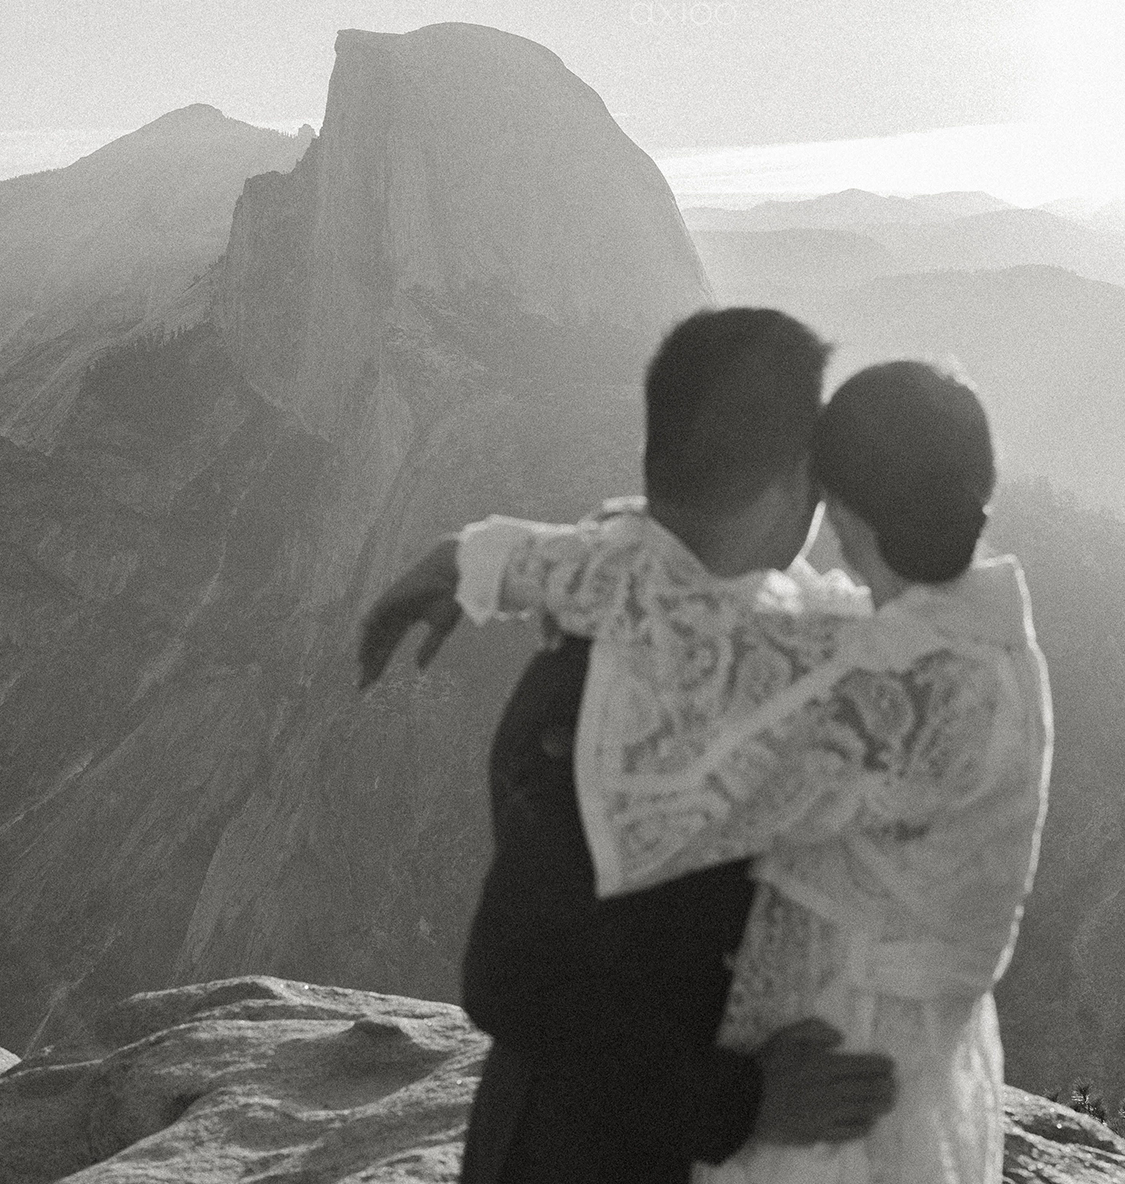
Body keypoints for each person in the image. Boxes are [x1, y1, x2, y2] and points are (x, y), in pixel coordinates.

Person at [401, 360, 1053, 1182]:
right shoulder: (954, 642)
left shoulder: (912, 687)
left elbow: (707, 646)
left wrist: (492, 566)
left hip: (835, 1096)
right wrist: (490, 562)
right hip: (853, 1071)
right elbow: (737, 616)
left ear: (844, 512)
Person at [359, 308, 899, 1184]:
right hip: (581, 1159)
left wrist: (484, 558)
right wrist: (741, 1103)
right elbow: (514, 979)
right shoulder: (614, 705)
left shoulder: (665, 613)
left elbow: (656, 564)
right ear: (800, 480)